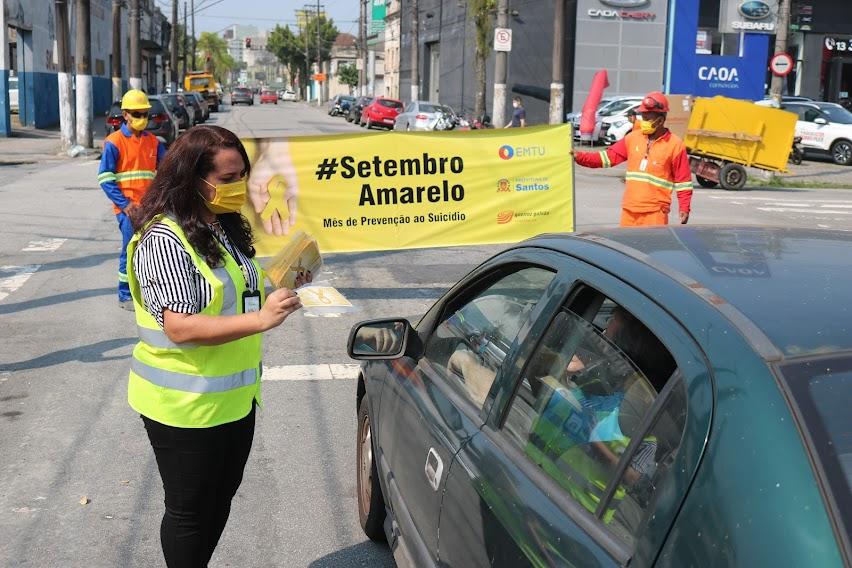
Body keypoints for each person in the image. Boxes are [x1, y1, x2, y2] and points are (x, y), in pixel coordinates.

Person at [125, 125, 306, 567]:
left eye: (241, 175)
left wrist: (278, 284)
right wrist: (261, 319)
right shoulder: (164, 238)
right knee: (189, 512)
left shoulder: (221, 224)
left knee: (219, 498)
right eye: (227, 179)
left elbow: (236, 289)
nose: (238, 187)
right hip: (184, 405)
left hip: (234, 400)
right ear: (193, 178)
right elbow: (180, 327)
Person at [573, 92, 693, 227]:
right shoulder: (632, 138)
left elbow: (683, 182)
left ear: (661, 119)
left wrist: (684, 208)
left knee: (651, 248)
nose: (644, 121)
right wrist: (580, 157)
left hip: (655, 213)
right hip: (629, 211)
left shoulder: (675, 145)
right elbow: (607, 158)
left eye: (648, 118)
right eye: (643, 117)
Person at [98, 89, 167, 310]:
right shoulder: (114, 142)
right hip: (128, 209)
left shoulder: (153, 142)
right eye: (137, 114)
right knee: (130, 249)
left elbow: (167, 170)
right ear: (126, 114)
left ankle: (149, 291)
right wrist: (125, 204)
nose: (142, 118)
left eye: (145, 113)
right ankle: (126, 294)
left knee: (153, 250)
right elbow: (105, 178)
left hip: (150, 208)